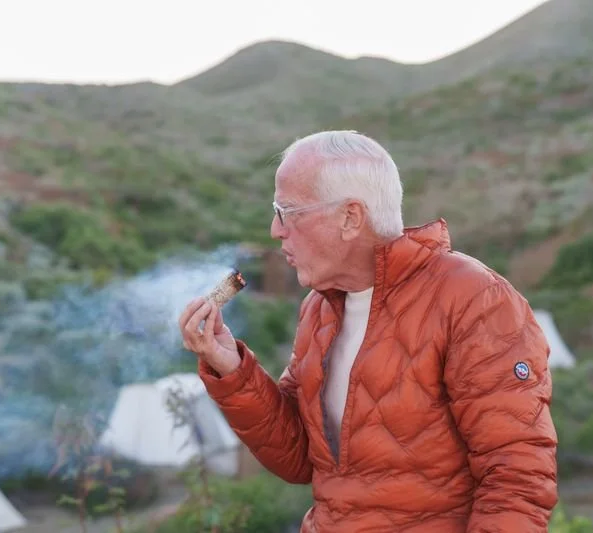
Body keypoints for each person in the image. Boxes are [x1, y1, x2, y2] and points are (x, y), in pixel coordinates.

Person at [179, 130, 558, 532]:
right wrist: (232, 368)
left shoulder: (474, 299)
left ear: (350, 217)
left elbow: (517, 477)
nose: (275, 229)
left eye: (286, 211)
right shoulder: (320, 308)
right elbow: (299, 458)